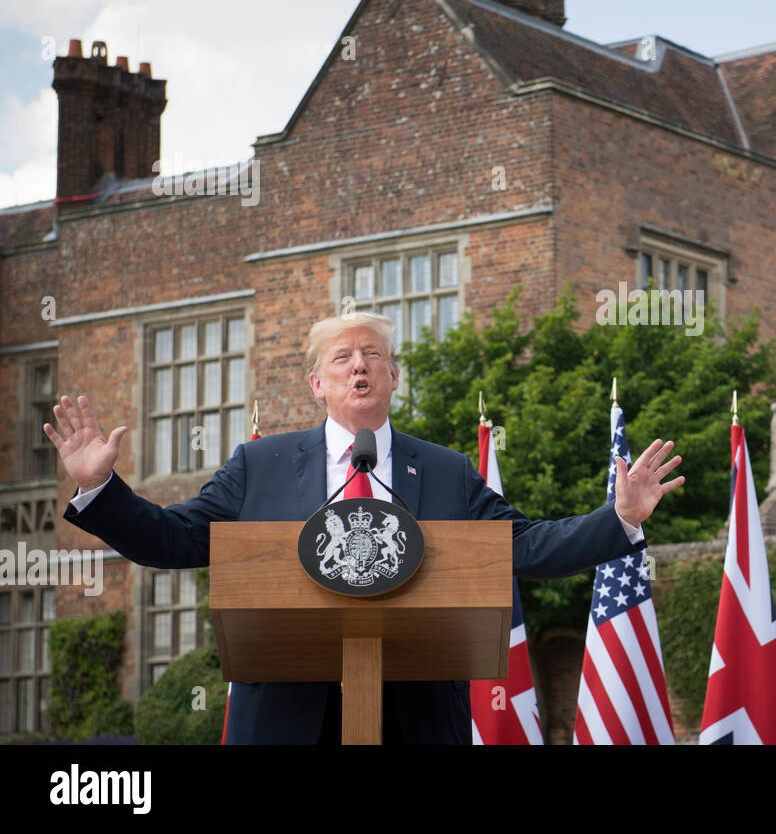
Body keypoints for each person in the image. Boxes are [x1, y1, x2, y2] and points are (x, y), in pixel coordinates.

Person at [44, 312, 684, 744]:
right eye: (343, 357)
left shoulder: (444, 470)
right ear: (316, 383)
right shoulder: (259, 465)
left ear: (393, 378)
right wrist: (101, 490)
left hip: (417, 719)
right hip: (285, 720)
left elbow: (525, 545)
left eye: (373, 356)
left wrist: (619, 519)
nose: (360, 366)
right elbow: (174, 538)